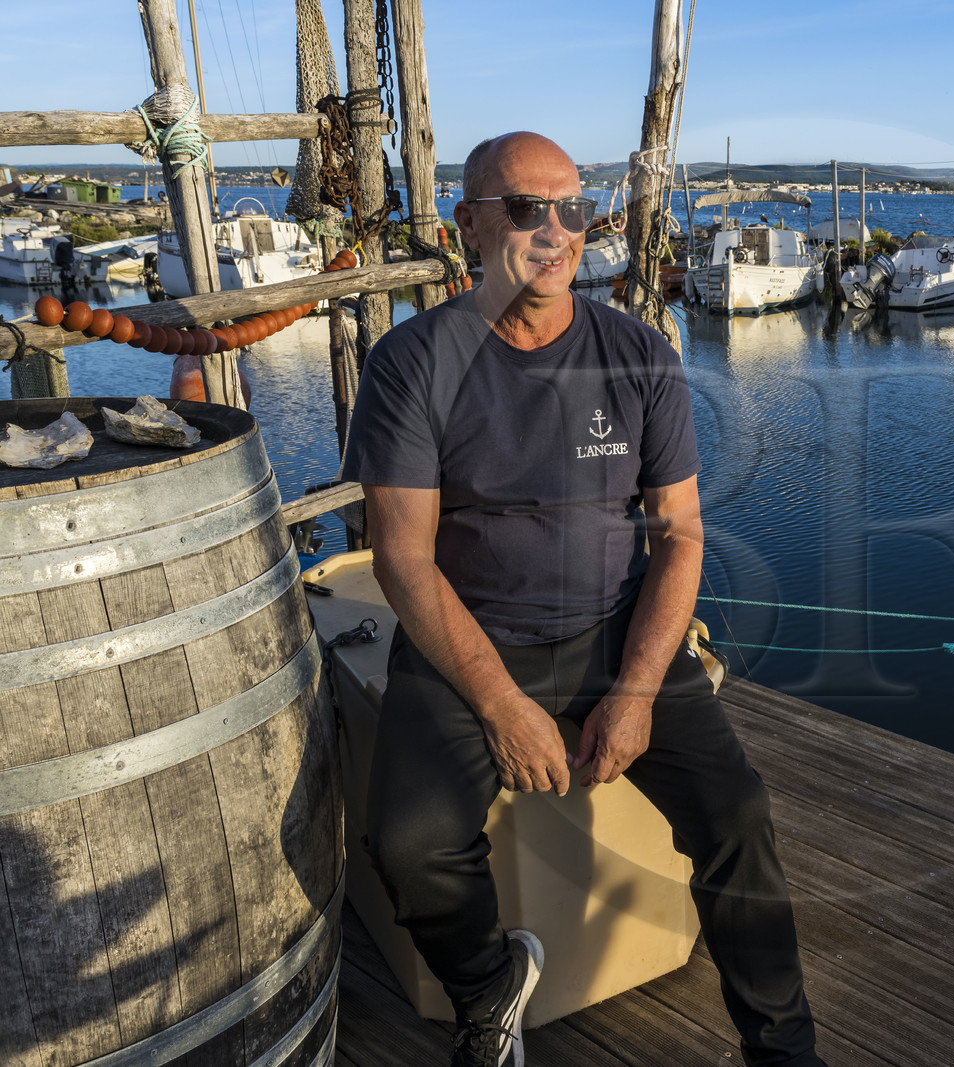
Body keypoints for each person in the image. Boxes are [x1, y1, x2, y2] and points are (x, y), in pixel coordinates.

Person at [340, 131, 826, 1067]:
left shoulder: (637, 353)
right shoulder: (412, 364)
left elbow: (680, 536)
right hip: (466, 640)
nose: (555, 230)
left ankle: (784, 1047)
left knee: (739, 818)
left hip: (615, 626)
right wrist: (502, 705)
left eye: (574, 206)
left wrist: (639, 689)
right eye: (526, 208)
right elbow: (402, 559)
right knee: (409, 842)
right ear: (467, 226)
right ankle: (489, 986)